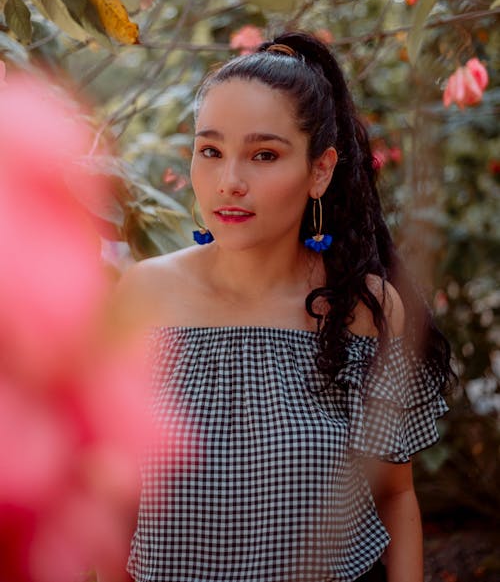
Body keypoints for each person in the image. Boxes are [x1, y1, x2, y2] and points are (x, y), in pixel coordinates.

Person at [116, 31, 454, 582]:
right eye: (211, 150)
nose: (230, 181)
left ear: (320, 170)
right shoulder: (144, 298)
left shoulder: (364, 310)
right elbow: (109, 503)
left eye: (264, 154)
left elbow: (395, 497)